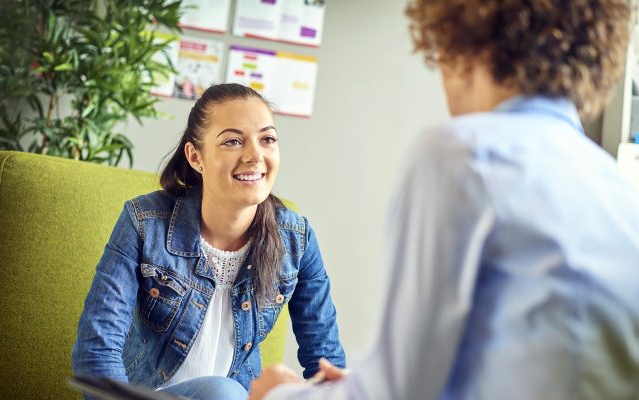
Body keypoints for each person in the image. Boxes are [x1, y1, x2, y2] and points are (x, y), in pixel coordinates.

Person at [249, 0, 639, 399]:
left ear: (463, 44)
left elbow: (397, 392)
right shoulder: (621, 192)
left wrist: (281, 394)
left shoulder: (465, 154)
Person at [71, 83, 346, 399]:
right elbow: (96, 350)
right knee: (222, 391)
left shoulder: (296, 239)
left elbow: (326, 363)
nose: (255, 155)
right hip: (148, 394)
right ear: (195, 157)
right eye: (233, 141)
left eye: (267, 139)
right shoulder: (144, 221)